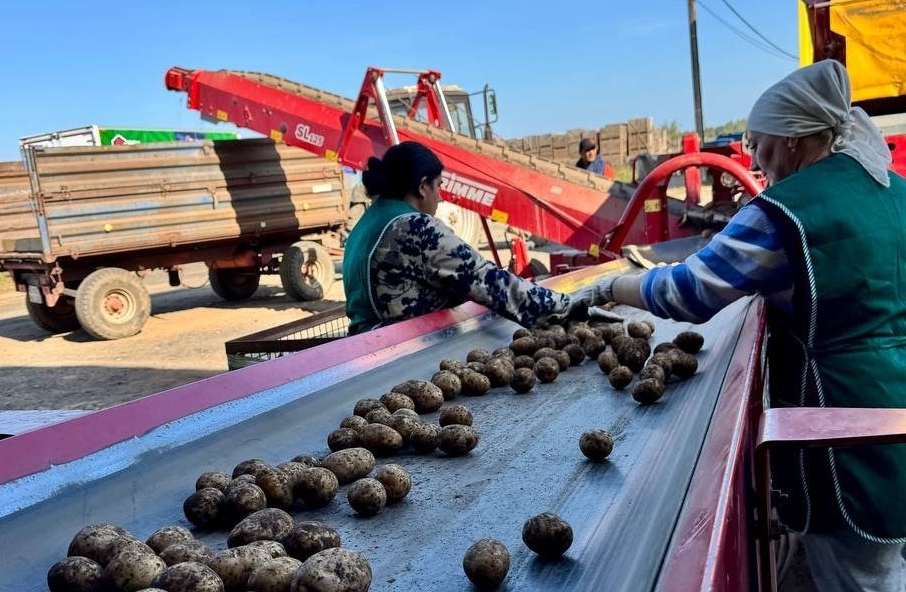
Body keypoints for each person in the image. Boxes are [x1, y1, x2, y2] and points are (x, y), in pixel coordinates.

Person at [589, 60, 906, 590]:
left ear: (798, 141)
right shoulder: (894, 189)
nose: (756, 160)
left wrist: (609, 288)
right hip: (897, 411)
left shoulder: (789, 210)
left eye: (760, 145)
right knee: (891, 559)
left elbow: (687, 292)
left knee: (864, 579)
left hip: (846, 431)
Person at [342, 141, 610, 335]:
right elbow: (488, 281)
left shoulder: (366, 224)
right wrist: (572, 305)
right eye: (439, 187)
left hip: (363, 342)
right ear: (423, 187)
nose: (441, 197)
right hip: (397, 351)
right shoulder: (414, 228)